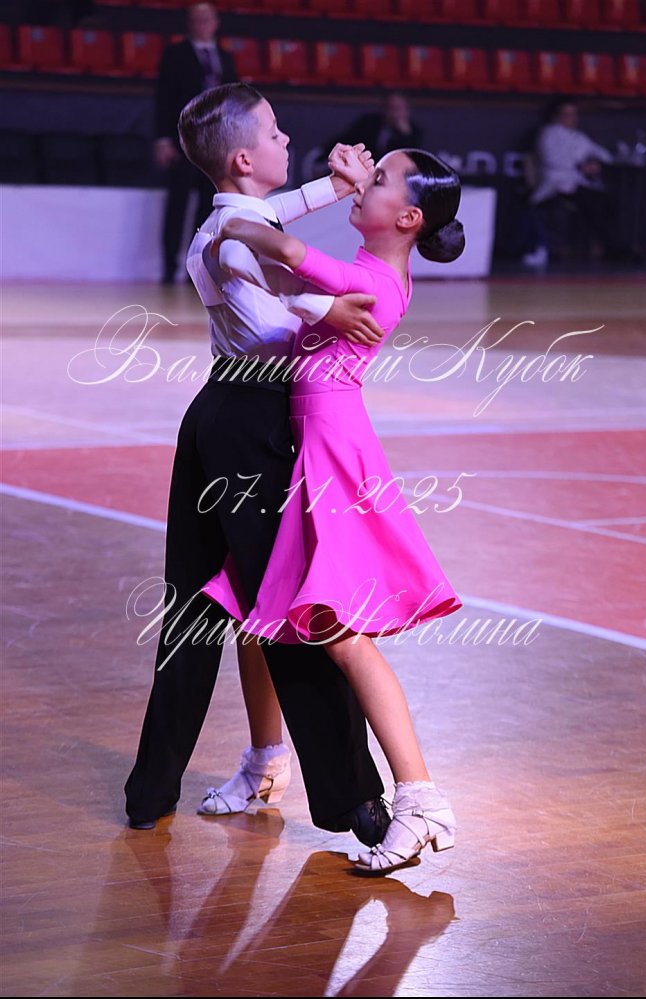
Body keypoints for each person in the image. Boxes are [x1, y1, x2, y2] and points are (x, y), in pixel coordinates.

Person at [124, 81, 393, 851]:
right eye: (274, 133)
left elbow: (270, 218)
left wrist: (332, 188)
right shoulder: (229, 237)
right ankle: (357, 801)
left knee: (192, 612)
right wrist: (326, 309)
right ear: (244, 158)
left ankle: (151, 789)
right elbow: (273, 319)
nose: (287, 140)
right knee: (293, 610)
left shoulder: (234, 218)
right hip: (256, 426)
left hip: (217, 417)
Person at [200, 146, 465, 875]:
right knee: (254, 611)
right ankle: (265, 760)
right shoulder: (370, 271)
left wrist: (235, 220)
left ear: (407, 218)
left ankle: (421, 798)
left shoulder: (374, 280)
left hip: (333, 457)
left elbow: (286, 253)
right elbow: (293, 280)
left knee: (342, 635)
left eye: (379, 182)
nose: (364, 187)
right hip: (309, 445)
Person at [154, 2, 237, 284]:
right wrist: (163, 139)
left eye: (207, 19)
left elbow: (233, 101)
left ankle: (198, 268)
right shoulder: (175, 54)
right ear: (189, 23)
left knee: (208, 207)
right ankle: (169, 268)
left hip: (216, 144)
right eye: (197, 19)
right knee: (177, 204)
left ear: (216, 22)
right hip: (184, 140)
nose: (202, 24)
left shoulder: (225, 57)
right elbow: (164, 98)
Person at [523, 99, 626, 270]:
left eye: (573, 114)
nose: (571, 118)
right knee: (592, 201)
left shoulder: (578, 137)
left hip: (577, 184)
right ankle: (614, 247)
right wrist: (581, 167)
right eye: (566, 114)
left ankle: (615, 248)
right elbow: (552, 160)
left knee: (603, 201)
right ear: (556, 116)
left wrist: (596, 163)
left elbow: (602, 154)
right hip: (555, 185)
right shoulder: (548, 134)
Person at [312, 92, 424, 177]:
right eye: (391, 108)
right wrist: (322, 156)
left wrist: (405, 135)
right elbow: (346, 140)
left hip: (391, 178)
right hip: (361, 172)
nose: (394, 114)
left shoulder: (413, 134)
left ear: (407, 111)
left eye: (398, 109)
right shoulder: (369, 123)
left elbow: (411, 162)